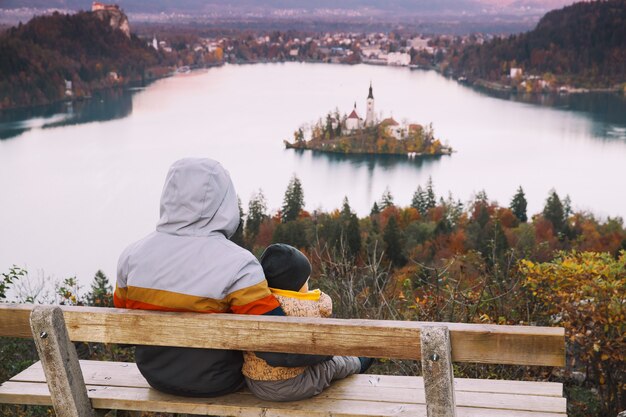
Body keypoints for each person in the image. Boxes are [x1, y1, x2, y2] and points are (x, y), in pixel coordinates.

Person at [113, 158, 329, 397]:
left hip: (155, 377)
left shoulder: (131, 256)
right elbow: (275, 344)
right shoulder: (239, 264)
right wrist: (330, 350)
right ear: (225, 201)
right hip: (218, 383)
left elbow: (122, 335)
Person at [243, 243, 374, 401]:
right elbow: (324, 338)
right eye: (306, 280)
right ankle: (359, 362)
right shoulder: (308, 307)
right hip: (292, 386)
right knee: (331, 365)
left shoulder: (258, 304)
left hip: (255, 382)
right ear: (295, 284)